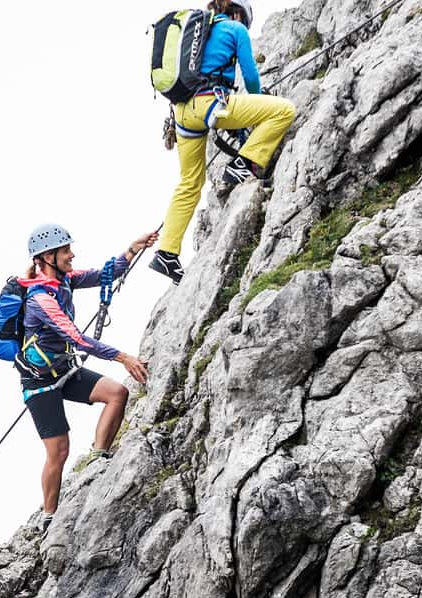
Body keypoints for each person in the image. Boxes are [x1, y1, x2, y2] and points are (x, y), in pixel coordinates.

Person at [17, 223, 154, 532]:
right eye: (66, 251)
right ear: (47, 257)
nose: (72, 255)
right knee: (59, 450)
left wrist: (134, 247)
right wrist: (123, 357)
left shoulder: (64, 279)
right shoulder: (40, 299)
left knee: (117, 394)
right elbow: (76, 338)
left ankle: (98, 459)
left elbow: (105, 274)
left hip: (64, 368)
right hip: (39, 382)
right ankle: (49, 518)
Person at [150, 0, 296, 285]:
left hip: (183, 114)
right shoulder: (235, 29)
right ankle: (244, 163)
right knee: (283, 110)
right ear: (240, 13)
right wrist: (260, 99)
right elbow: (251, 76)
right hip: (210, 104)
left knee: (189, 182)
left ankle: (166, 253)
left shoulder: (199, 32)